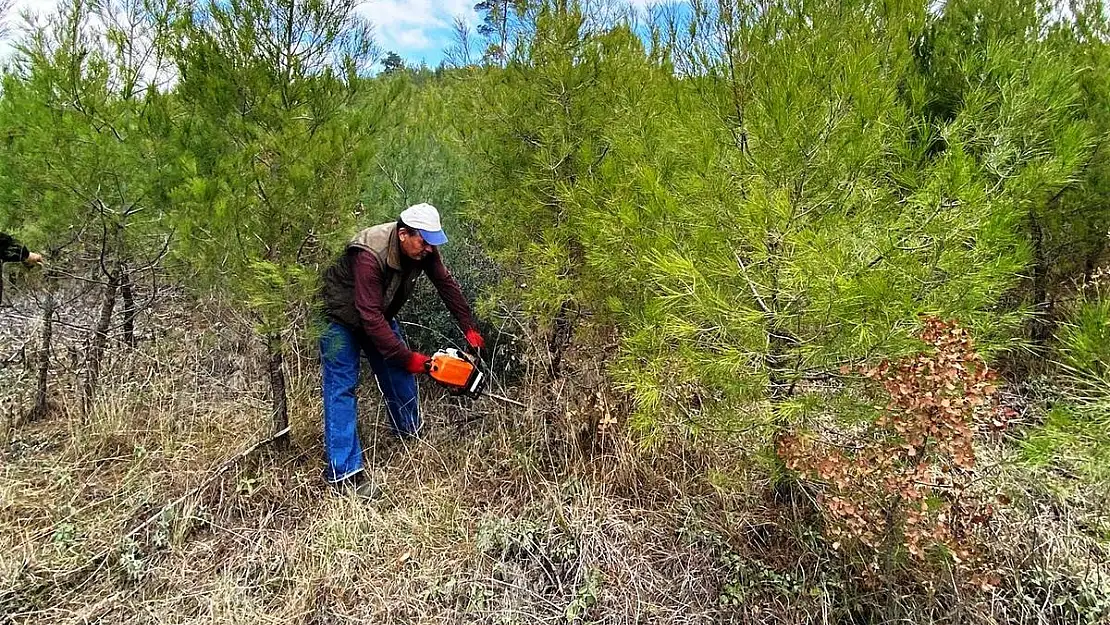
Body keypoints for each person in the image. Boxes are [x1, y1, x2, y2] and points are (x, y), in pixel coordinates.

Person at [317, 203, 484, 497]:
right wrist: (412, 360)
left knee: (399, 376)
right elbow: (368, 317)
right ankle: (344, 474)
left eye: (433, 243)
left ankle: (410, 433)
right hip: (340, 319)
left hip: (376, 316)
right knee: (341, 388)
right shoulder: (369, 254)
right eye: (424, 241)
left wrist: (469, 329)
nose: (430, 249)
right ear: (404, 234)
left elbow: (446, 285)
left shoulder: (422, 249)